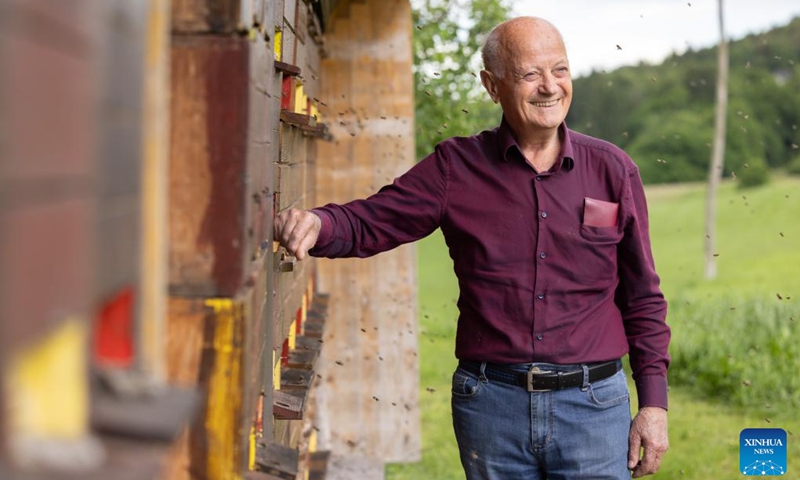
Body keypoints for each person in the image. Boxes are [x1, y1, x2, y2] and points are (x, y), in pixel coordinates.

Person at [275, 16, 670, 480]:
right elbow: (374, 219)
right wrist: (319, 222)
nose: (550, 87)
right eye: (529, 74)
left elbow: (642, 296)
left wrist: (654, 405)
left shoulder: (613, 170)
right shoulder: (455, 168)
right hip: (491, 408)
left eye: (559, 70)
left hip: (595, 407)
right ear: (491, 85)